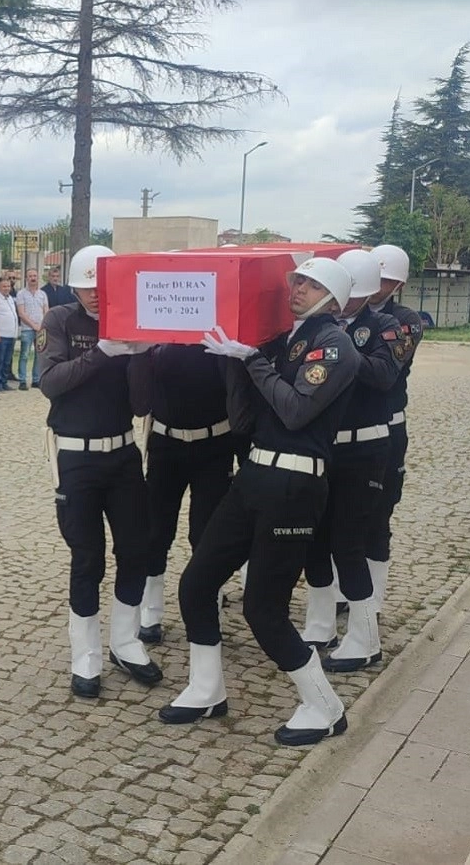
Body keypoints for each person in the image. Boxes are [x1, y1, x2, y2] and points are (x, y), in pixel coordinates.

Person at [159, 257, 359, 746]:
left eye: (311, 285)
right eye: (298, 282)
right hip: (253, 475)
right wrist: (233, 363)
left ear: (332, 298)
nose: (299, 289)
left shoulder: (335, 348)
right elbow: (246, 421)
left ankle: (324, 705)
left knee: (262, 608)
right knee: (196, 583)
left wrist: (250, 359)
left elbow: (293, 411)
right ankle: (207, 687)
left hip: (294, 485)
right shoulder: (287, 341)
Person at [38, 244, 162, 698]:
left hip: (123, 452)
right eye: (87, 286)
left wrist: (141, 355)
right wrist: (103, 353)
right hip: (75, 454)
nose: (94, 295)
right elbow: (50, 383)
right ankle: (85, 654)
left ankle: (126, 642)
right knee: (86, 555)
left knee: (136, 549)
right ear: (74, 287)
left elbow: (142, 404)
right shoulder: (60, 321)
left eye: (101, 285)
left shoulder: (128, 320)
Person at [298, 249, 401, 671]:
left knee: (348, 541)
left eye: (353, 297)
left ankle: (364, 637)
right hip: (325, 446)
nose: (347, 305)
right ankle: (320, 623)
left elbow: (384, 375)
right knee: (315, 539)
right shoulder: (314, 328)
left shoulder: (386, 325)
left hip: (365, 448)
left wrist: (337, 348)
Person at [128, 341, 234, 643]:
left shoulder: (217, 335)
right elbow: (141, 401)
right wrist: (143, 353)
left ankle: (207, 604)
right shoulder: (158, 338)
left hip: (214, 444)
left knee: (207, 532)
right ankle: (151, 609)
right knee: (156, 529)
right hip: (166, 442)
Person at [364, 244, 422, 618]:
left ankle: (373, 601)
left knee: (378, 514)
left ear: (397, 284)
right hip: (350, 429)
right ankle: (342, 590)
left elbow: (387, 374)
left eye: (384, 280)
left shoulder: (406, 320)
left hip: (387, 426)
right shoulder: (346, 313)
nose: (375, 286)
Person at [16, 269, 48, 390]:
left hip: (41, 328)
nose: (33, 278)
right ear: (26, 278)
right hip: (27, 329)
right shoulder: (21, 294)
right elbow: (21, 313)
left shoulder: (42, 294)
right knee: (24, 355)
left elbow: (46, 310)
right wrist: (33, 325)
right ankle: (22, 380)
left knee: (39, 355)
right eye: (30, 276)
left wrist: (43, 325)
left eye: (35, 275)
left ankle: (36, 379)